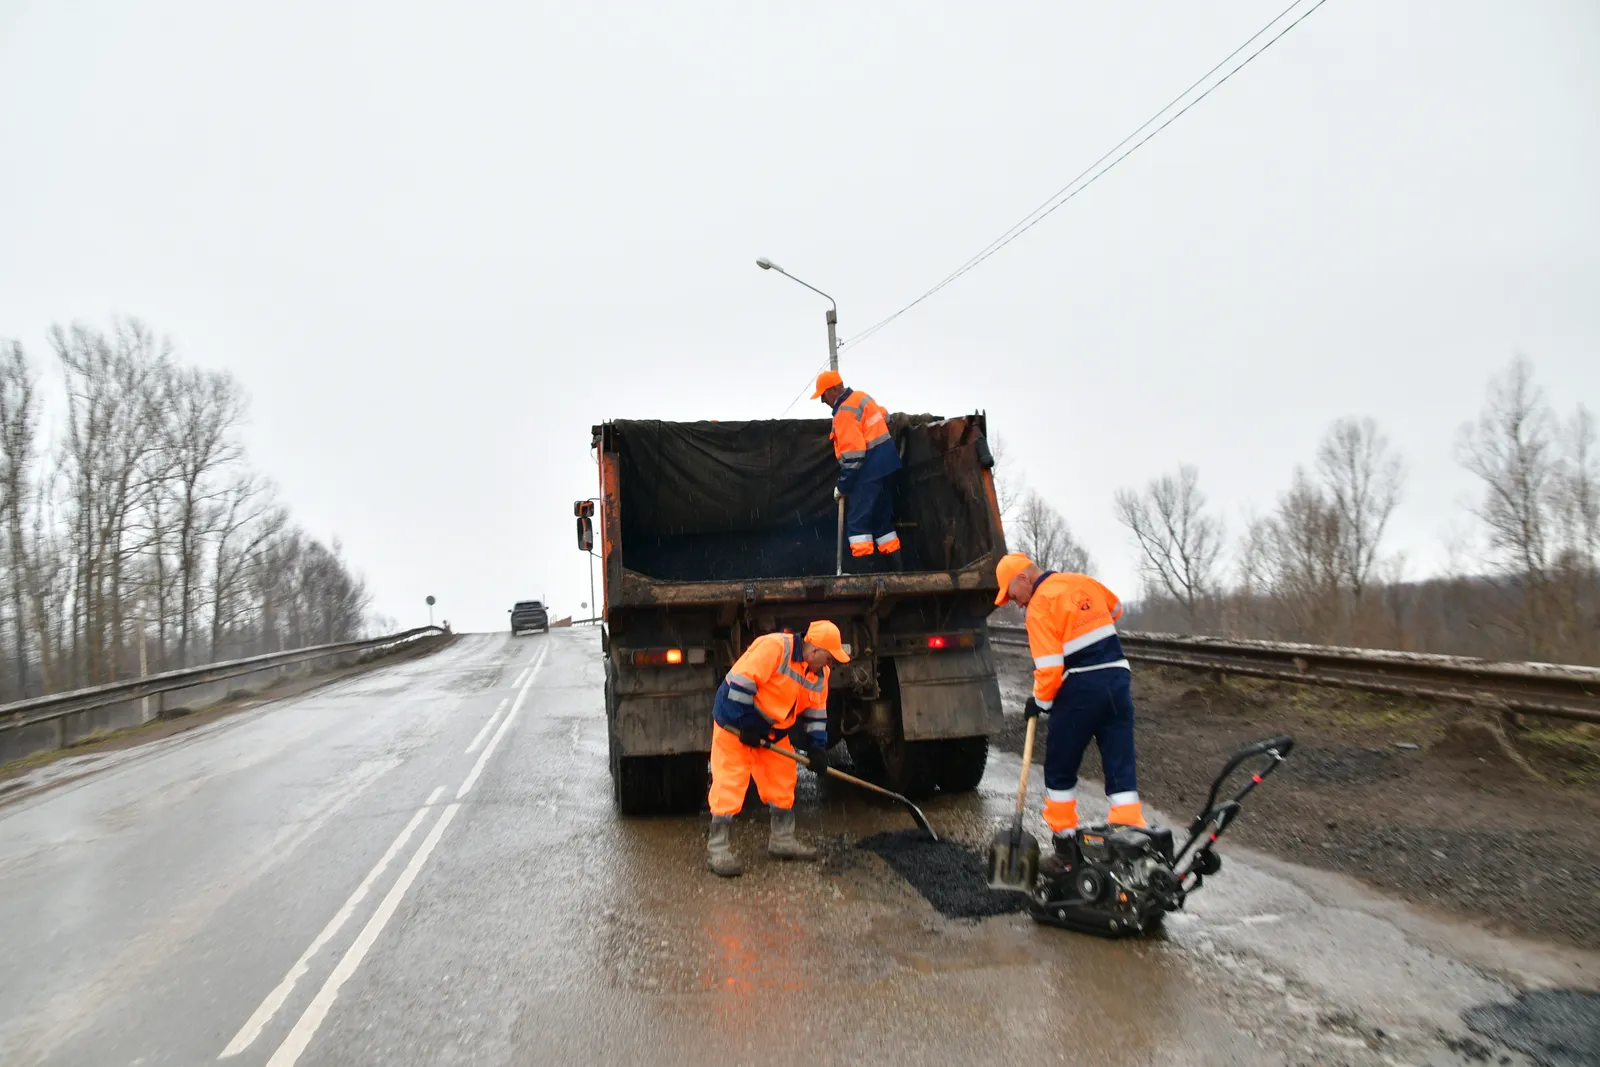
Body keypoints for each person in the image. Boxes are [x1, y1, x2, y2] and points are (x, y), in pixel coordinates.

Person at [994, 552, 1145, 876]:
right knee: (1119, 760)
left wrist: (1039, 703)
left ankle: (1065, 850)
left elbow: (1049, 669)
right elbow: (1115, 609)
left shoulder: (1039, 607)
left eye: (1011, 593)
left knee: (1060, 768)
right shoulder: (1081, 581)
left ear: (1023, 578)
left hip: (1081, 687)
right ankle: (1129, 840)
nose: (1013, 602)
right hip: (1117, 679)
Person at [705, 620, 851, 877]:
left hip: (772, 731)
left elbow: (817, 714)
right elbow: (740, 685)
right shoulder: (774, 648)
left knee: (782, 782)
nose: (829, 664)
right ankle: (718, 849)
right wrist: (746, 724)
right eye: (828, 658)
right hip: (735, 724)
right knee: (730, 783)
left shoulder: (819, 674)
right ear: (815, 650)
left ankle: (782, 840)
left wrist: (818, 749)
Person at [812, 370, 904, 570]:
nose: (822, 401)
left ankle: (865, 578)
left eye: (823, 395)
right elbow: (886, 417)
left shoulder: (844, 412)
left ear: (834, 389)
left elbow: (854, 455)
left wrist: (842, 485)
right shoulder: (862, 397)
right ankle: (897, 572)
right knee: (882, 522)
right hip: (888, 467)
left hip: (868, 472)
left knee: (858, 524)